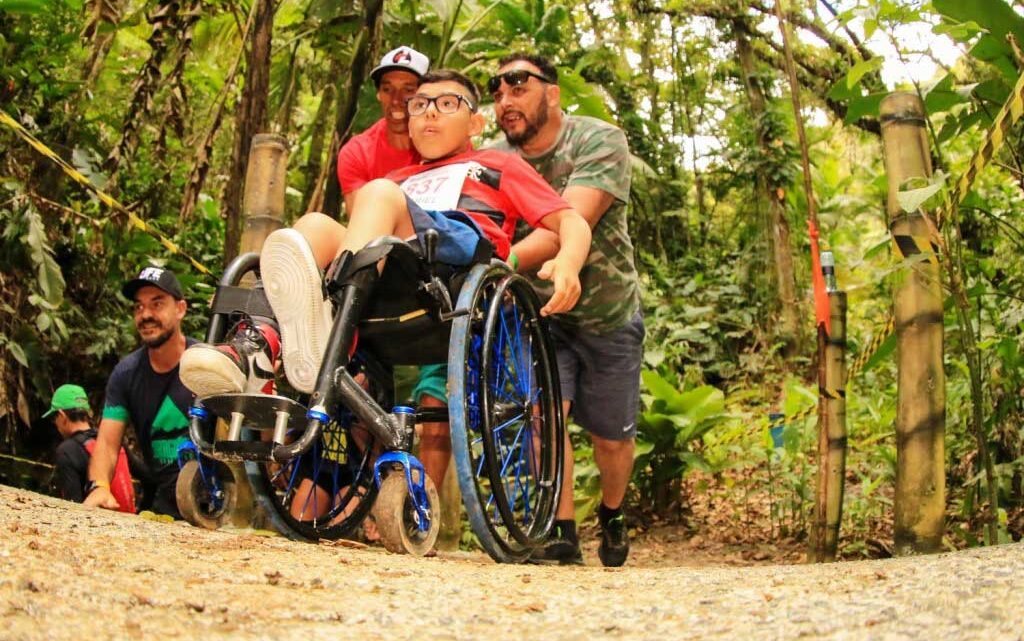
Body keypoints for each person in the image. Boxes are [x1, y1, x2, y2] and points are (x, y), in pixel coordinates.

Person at [180, 70, 592, 488]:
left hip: (451, 268)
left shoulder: (497, 164)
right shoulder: (399, 179)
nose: (429, 113)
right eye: (419, 105)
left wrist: (569, 264)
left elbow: (569, 220)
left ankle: (330, 329)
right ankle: (258, 347)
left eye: (447, 104)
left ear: (475, 123)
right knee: (313, 225)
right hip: (384, 275)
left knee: (378, 194)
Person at [488, 53, 644, 567]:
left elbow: (568, 222)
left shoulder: (598, 139)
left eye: (518, 85)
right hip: (539, 315)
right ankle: (562, 530)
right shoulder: (491, 157)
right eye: (498, 90)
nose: (506, 100)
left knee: (612, 438)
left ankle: (614, 513)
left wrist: (494, 261)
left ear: (551, 93)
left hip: (607, 313)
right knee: (542, 418)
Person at [84, 267, 197, 518]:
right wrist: (100, 486)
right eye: (138, 307)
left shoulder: (207, 363)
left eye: (157, 304)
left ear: (180, 309)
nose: (145, 315)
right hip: (165, 508)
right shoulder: (126, 374)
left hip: (217, 506)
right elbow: (107, 442)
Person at [336, 45, 429, 212]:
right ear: (378, 94)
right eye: (387, 89)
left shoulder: (446, 144)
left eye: (408, 90)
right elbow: (361, 220)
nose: (395, 100)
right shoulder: (357, 152)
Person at [46, 383, 135, 511]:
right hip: (128, 522)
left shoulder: (66, 451)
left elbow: (72, 507)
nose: (55, 423)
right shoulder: (111, 441)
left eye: (54, 417)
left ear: (62, 415)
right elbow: (149, 477)